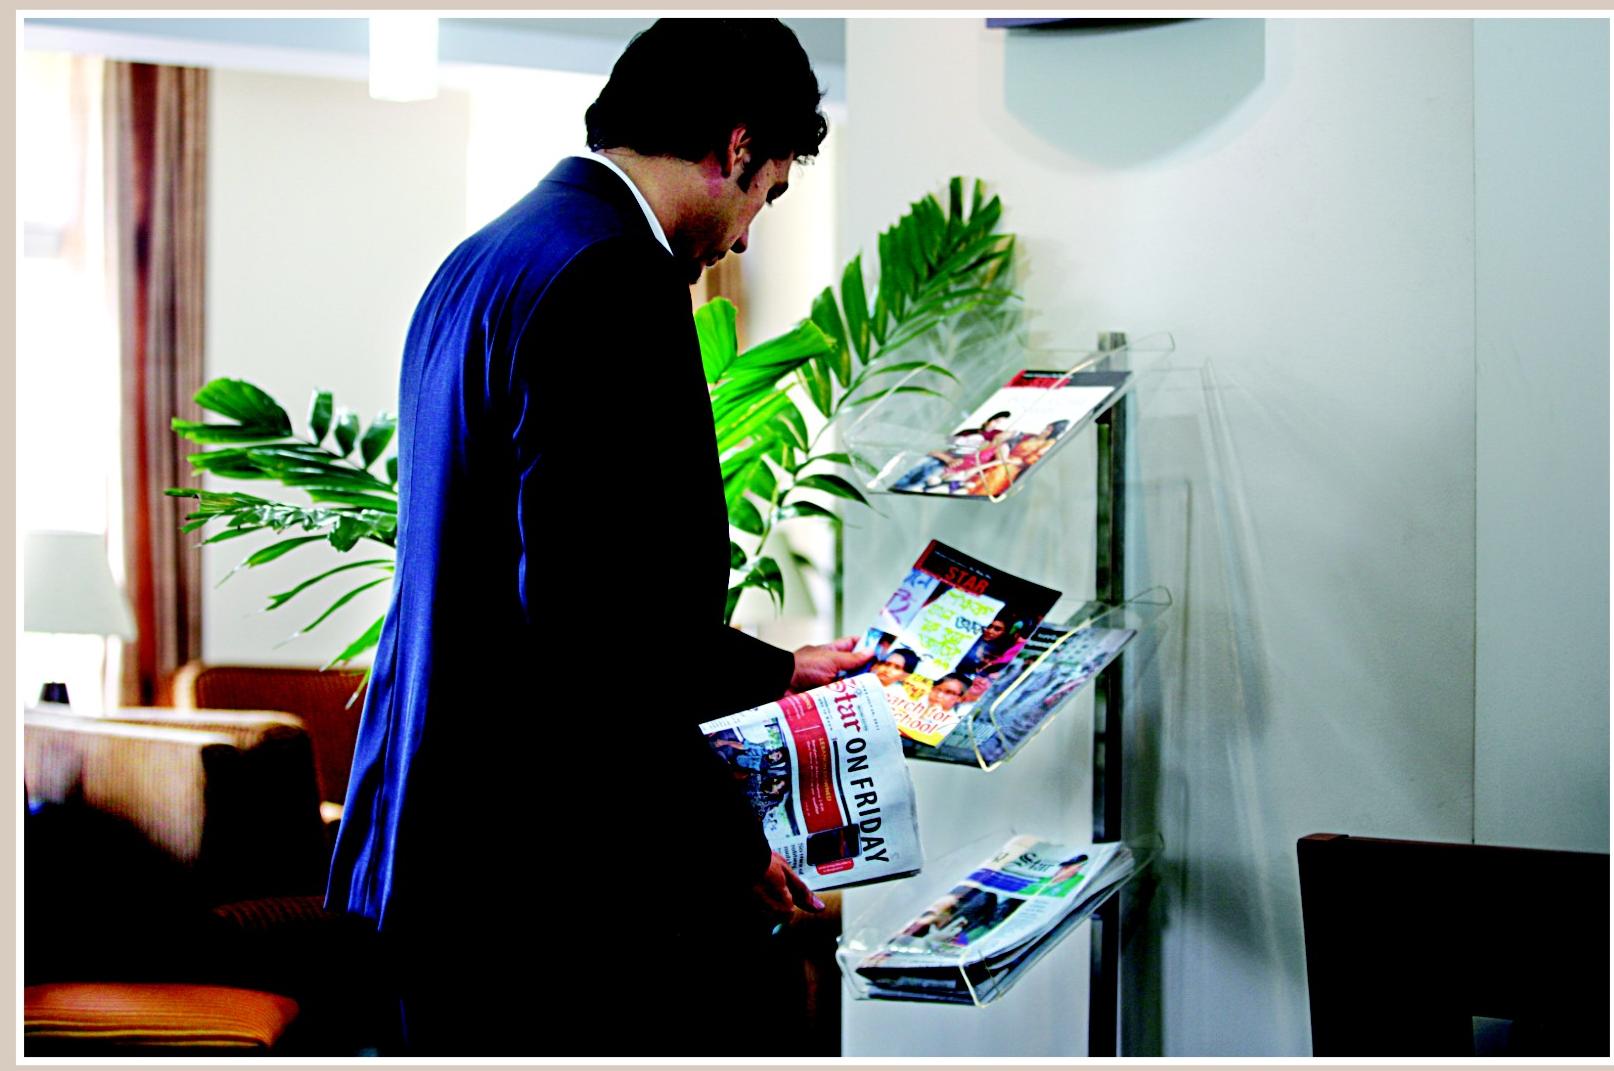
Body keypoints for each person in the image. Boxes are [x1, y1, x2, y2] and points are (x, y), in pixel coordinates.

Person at [324, 19, 867, 1055]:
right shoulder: (615, 277)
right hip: (535, 884)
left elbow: (540, 570)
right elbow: (594, 634)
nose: (746, 235)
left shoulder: (483, 259)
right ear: (737, 146)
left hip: (426, 840)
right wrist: (725, 839)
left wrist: (778, 669)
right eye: (767, 193)